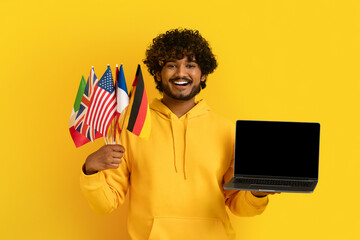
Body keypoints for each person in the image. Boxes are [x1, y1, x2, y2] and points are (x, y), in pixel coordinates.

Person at [80, 28, 271, 240]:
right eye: (171, 65)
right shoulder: (132, 128)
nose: (181, 73)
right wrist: (91, 170)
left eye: (191, 65)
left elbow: (240, 206)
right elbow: (106, 204)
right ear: (157, 73)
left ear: (203, 73)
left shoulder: (228, 131)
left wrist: (258, 192)